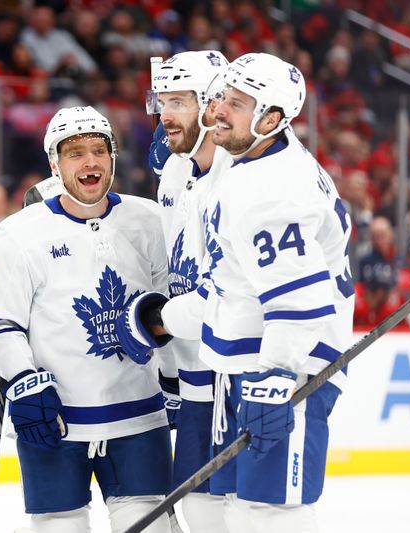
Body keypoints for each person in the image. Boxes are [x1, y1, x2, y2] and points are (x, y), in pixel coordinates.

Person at [117, 53, 354, 532]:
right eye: (220, 95)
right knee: (234, 511)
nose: (217, 109)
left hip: (285, 369)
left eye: (235, 102)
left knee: (265, 514)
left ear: (270, 119)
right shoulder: (249, 166)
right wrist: (163, 320)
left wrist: (278, 375)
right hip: (244, 365)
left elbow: (299, 302)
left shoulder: (270, 188)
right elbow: (232, 288)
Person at [0, 106, 173, 533]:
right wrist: (23, 380)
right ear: (54, 164)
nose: (90, 162)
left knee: (152, 525)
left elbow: (170, 310)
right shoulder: (18, 234)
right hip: (55, 417)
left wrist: (176, 382)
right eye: (75, 152)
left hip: (138, 417)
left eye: (100, 150)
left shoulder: (149, 220)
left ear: (113, 158)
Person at [146, 49, 231, 533]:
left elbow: (225, 295)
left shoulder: (236, 176)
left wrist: (155, 324)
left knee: (240, 512)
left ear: (212, 104)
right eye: (161, 102)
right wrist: (170, 372)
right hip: (194, 371)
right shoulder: (174, 170)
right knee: (197, 507)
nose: (165, 115)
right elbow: (169, 271)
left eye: (177, 101)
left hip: (232, 372)